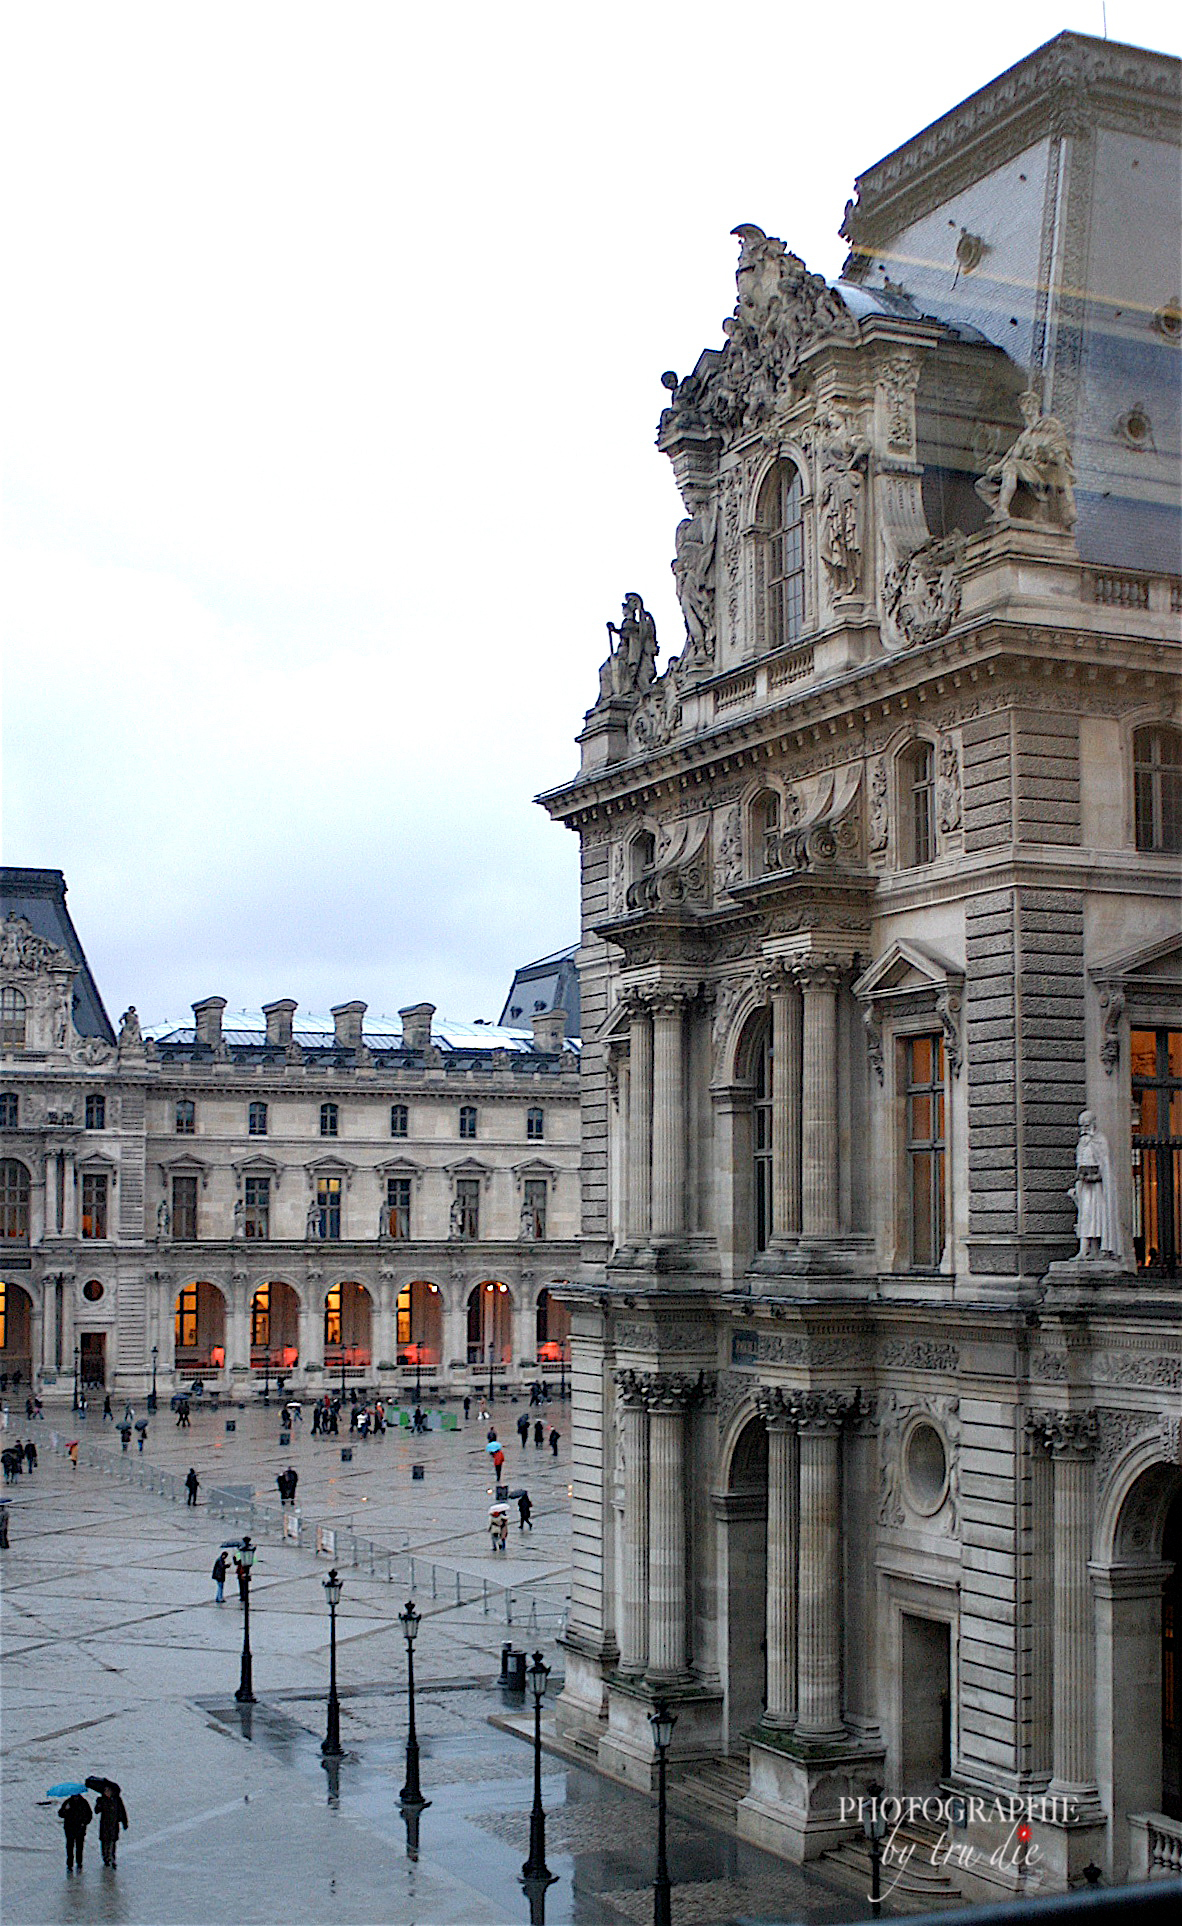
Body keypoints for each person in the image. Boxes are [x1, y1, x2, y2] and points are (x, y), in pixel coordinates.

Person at [94, 1782, 128, 1867]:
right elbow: (97, 1811)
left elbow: (122, 1811)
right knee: (105, 1842)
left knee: (112, 1841)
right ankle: (106, 1857)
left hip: (114, 1824)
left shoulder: (117, 1799)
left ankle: (112, 1858)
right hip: (104, 1825)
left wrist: (124, 1822)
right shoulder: (102, 1800)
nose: (107, 1792)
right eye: (106, 1791)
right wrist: (98, 1804)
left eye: (109, 1791)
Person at [59, 1792, 92, 1871]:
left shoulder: (84, 1803)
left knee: (79, 1846)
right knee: (70, 1846)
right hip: (69, 1828)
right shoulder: (68, 1802)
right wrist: (65, 1810)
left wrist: (84, 1823)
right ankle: (70, 1864)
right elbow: (61, 1814)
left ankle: (79, 1862)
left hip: (80, 1828)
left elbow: (89, 1815)